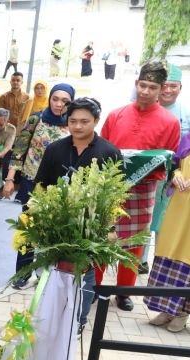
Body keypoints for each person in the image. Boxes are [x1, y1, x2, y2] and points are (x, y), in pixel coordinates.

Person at [96, 61, 180, 311]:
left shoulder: (170, 121)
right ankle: (96, 285)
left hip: (144, 189)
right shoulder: (116, 114)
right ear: (136, 84)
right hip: (111, 186)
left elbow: (168, 157)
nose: (145, 91)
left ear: (160, 89)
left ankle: (124, 291)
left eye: (152, 87)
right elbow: (102, 148)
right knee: (102, 235)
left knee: (135, 242)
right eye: (142, 85)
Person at [34, 97, 121, 331]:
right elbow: (40, 185)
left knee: (85, 274)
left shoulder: (110, 152)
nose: (78, 126)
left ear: (96, 121)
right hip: (55, 226)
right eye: (73, 121)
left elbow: (115, 197)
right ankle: (47, 317)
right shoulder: (54, 149)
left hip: (91, 227)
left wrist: (110, 228)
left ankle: (78, 322)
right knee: (50, 271)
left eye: (85, 121)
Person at [3, 83, 75, 288]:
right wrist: (9, 179)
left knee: (55, 230)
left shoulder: (73, 123)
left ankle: (49, 275)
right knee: (28, 228)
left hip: (60, 187)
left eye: (65, 101)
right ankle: (23, 274)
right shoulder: (36, 119)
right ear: (49, 98)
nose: (59, 104)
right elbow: (19, 150)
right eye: (55, 99)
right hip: (32, 182)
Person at [143, 95, 190, 332]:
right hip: (178, 206)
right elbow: (176, 165)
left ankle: (183, 312)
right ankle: (166, 308)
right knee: (171, 248)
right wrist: (177, 176)